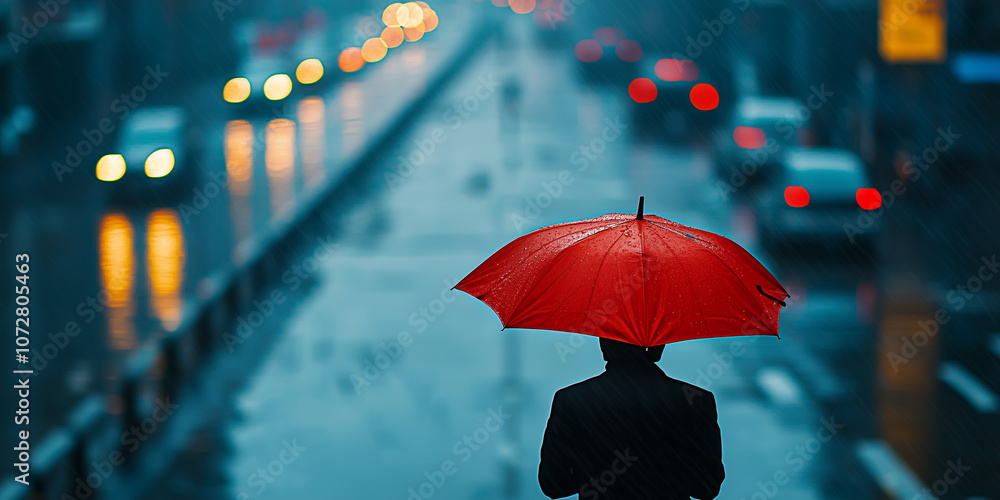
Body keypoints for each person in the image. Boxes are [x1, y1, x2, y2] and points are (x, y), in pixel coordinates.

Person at [538, 338, 725, 499]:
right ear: (658, 347)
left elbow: (554, 485)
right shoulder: (697, 401)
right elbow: (707, 488)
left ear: (604, 345)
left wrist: (593, 474)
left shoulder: (571, 400)